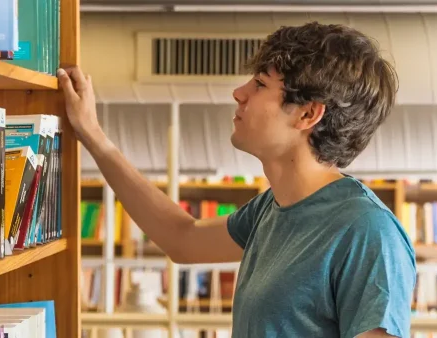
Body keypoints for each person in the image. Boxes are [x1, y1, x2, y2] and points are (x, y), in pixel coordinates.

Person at [58, 21, 416, 338]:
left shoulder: (367, 231)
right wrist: (93, 136)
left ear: (307, 113)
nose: (239, 92)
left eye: (260, 84)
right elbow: (182, 239)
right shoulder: (271, 208)